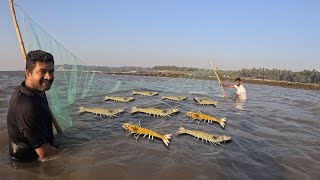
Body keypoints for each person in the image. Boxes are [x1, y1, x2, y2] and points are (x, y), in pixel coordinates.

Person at [7, 50, 59, 162]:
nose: (49, 77)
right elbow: (45, 154)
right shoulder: (26, 106)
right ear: (27, 74)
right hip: (27, 162)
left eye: (51, 71)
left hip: (40, 147)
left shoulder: (38, 89)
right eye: (42, 72)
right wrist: (74, 156)